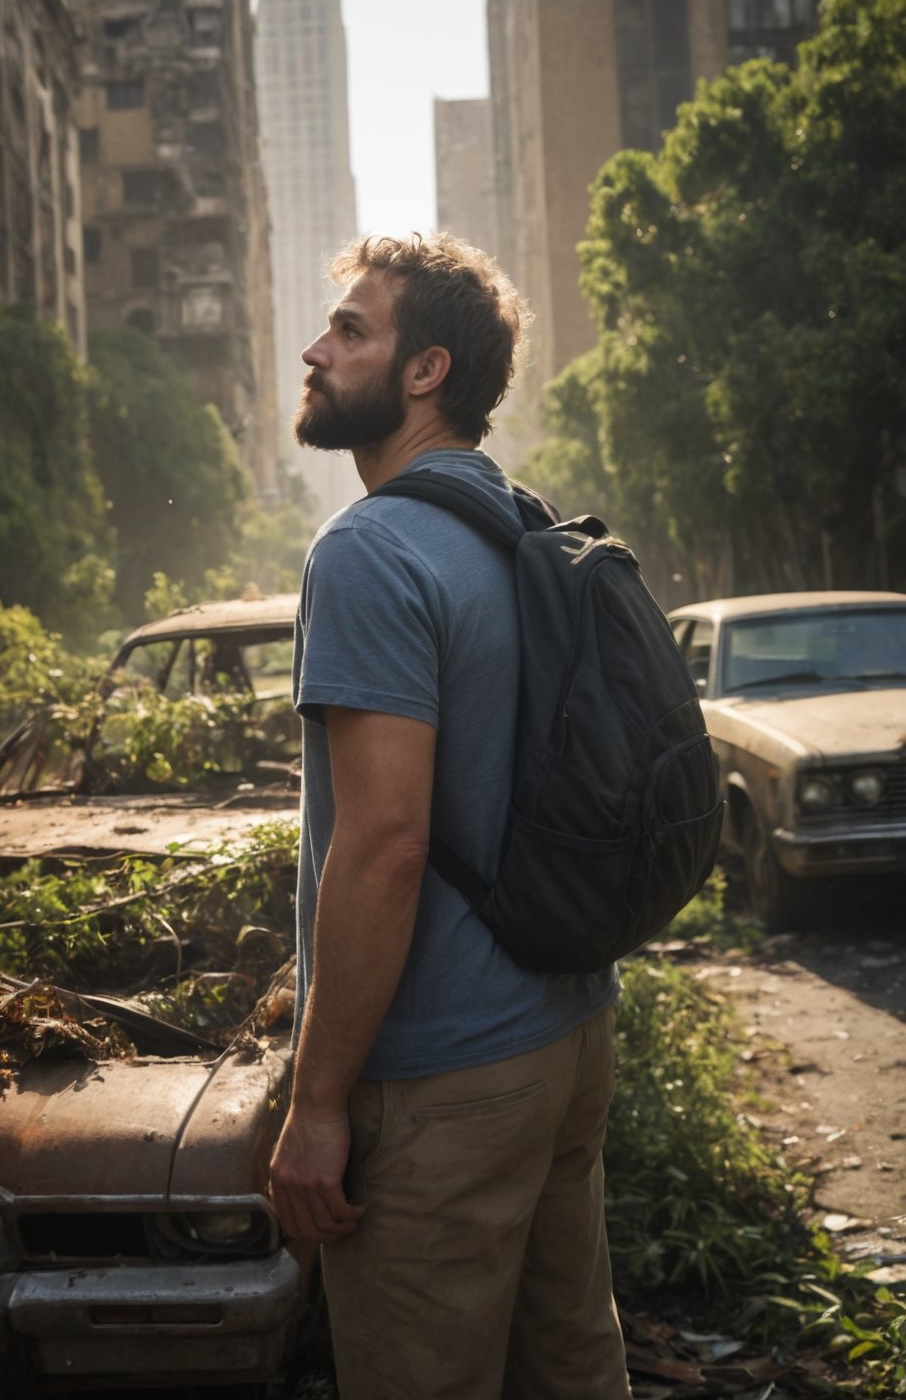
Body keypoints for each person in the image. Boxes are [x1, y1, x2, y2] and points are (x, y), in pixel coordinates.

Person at [269, 233, 632, 1400]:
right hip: (564, 1032)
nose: (316, 350)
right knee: (567, 1366)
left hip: (443, 1080)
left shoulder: (371, 551)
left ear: (425, 371)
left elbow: (384, 846)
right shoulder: (521, 527)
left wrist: (317, 1105)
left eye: (351, 331)